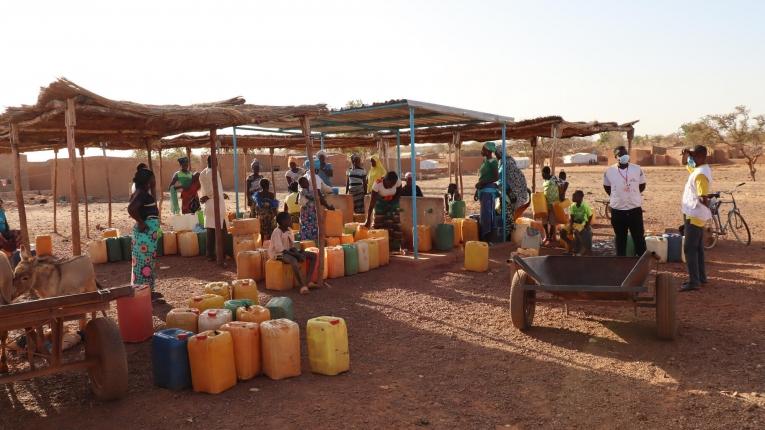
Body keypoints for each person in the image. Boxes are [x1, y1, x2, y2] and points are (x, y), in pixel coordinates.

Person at [603, 146, 647, 256]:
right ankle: (621, 264)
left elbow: (642, 185)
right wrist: (617, 197)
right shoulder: (609, 171)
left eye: (625, 154)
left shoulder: (637, 169)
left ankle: (641, 263)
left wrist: (632, 195)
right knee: (620, 239)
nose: (624, 156)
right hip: (618, 211)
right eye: (620, 155)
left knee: (639, 238)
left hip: (634, 210)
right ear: (615, 157)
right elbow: (607, 187)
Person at [680, 145, 712, 292]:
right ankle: (701, 277)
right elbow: (686, 165)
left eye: (693, 155)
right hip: (693, 213)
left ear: (702, 157)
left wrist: (707, 205)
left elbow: (703, 196)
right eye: (690, 155)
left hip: (695, 215)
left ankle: (694, 281)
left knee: (689, 248)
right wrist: (685, 155)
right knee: (698, 248)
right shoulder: (699, 169)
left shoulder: (700, 175)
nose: (691, 158)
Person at [127, 167, 161, 301]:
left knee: (148, 264)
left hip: (146, 236)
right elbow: (131, 209)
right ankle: (144, 295)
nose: (154, 180)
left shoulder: (142, 192)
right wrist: (141, 222)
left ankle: (149, 292)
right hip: (144, 236)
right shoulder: (141, 193)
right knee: (144, 265)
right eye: (153, 178)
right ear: (148, 180)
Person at [268, 212, 318, 295]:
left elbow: (292, 246)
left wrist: (299, 252)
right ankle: (302, 286)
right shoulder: (276, 232)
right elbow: (281, 250)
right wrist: (297, 255)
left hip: (289, 252)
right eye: (289, 219)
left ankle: (307, 281)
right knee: (293, 260)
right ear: (283, 221)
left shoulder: (289, 231)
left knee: (313, 255)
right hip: (277, 254)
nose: (291, 221)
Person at [199, 156, 228, 260]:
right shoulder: (214, 172)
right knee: (222, 229)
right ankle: (221, 254)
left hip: (208, 204)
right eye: (215, 161)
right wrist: (213, 195)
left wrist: (221, 194)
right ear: (211, 161)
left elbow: (207, 188)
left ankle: (209, 254)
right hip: (216, 204)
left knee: (210, 229)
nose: (216, 163)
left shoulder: (202, 173)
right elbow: (212, 190)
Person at [365, 171, 403, 251]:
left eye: (394, 184)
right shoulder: (377, 184)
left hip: (393, 202)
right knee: (378, 224)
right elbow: (372, 203)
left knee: (395, 224)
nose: (392, 186)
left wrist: (393, 201)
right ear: (385, 180)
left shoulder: (397, 181)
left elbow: (399, 191)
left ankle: (395, 248)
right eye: (391, 184)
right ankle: (378, 247)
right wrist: (368, 219)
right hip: (380, 203)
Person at [475, 142, 499, 242]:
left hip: (489, 192)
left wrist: (483, 183)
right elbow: (482, 177)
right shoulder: (485, 161)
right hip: (483, 191)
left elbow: (495, 177)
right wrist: (477, 190)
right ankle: (485, 236)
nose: (482, 151)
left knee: (488, 215)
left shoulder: (493, 162)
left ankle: (488, 238)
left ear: (489, 151)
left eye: (483, 149)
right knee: (484, 215)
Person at [298, 176, 335, 242]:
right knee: (307, 226)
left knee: (312, 226)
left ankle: (312, 241)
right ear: (301, 184)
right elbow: (314, 198)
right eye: (304, 182)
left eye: (307, 181)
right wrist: (326, 205)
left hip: (310, 211)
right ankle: (307, 242)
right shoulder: (303, 191)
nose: (307, 183)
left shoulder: (307, 191)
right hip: (307, 212)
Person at [561, 190, 593, 255]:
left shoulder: (585, 206)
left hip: (582, 223)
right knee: (562, 232)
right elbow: (572, 218)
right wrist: (570, 227)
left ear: (581, 197)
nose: (573, 198)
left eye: (575, 196)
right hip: (575, 223)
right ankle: (570, 245)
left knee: (576, 231)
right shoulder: (572, 206)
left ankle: (582, 249)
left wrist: (587, 225)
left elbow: (590, 215)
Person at [541, 166, 561, 245]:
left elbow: (564, 183)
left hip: (554, 204)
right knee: (544, 221)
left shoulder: (554, 178)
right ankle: (547, 236)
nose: (542, 176)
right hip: (545, 204)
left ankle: (550, 238)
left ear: (545, 173)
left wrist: (561, 194)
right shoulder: (545, 181)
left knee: (552, 222)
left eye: (542, 174)